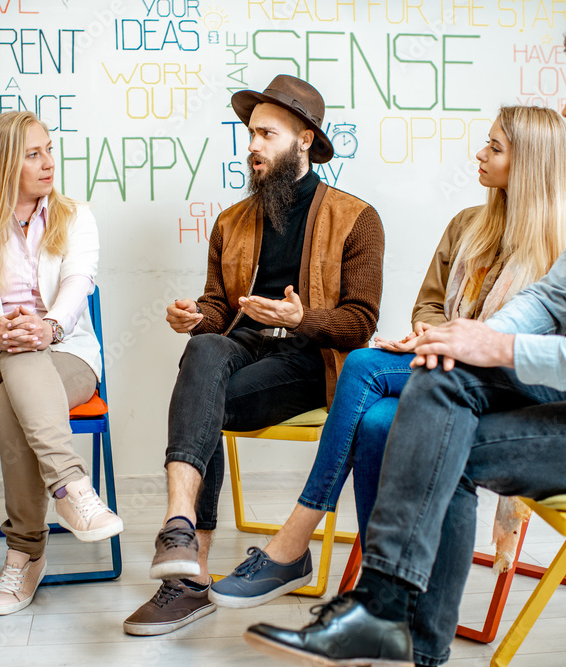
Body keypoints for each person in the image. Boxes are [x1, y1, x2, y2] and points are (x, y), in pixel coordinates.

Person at [244, 6, 566, 667]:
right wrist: (468, 336)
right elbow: (554, 296)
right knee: (441, 384)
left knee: (447, 429)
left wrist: (498, 348)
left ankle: (399, 623)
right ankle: (398, 623)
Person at [210, 105, 566, 609]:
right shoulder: (467, 225)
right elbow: (429, 301)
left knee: (363, 365)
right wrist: (431, 333)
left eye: (494, 148)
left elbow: (550, 341)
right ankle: (381, 595)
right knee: (376, 421)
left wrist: (449, 339)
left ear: (532, 163)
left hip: (509, 384)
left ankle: (294, 542)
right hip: (444, 367)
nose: (479, 153)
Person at [124, 75, 385, 636]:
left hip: (312, 360)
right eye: (249, 134)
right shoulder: (231, 222)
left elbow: (361, 321)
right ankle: (180, 529)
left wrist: (301, 318)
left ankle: (185, 574)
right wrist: (196, 316)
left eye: (266, 134)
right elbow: (221, 308)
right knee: (203, 348)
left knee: (201, 394)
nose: (252, 146)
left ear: (306, 140)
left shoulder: (357, 218)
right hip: (245, 347)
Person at [0, 110, 122, 617]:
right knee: (14, 359)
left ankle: (25, 552)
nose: (49, 162)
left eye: (49, 148)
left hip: (65, 352)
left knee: (13, 399)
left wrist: (48, 328)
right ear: (6, 163)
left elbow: (77, 284)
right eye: (33, 153)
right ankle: (70, 487)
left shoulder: (76, 215)